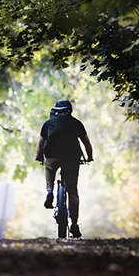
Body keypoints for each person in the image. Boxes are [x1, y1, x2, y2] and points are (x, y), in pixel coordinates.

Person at [35, 99, 93, 238]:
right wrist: (89, 157)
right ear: (70, 110)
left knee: (49, 169)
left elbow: (40, 145)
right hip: (71, 158)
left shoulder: (48, 124)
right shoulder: (76, 123)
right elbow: (87, 143)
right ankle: (74, 224)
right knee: (73, 191)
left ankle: (50, 192)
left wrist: (39, 157)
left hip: (52, 157)